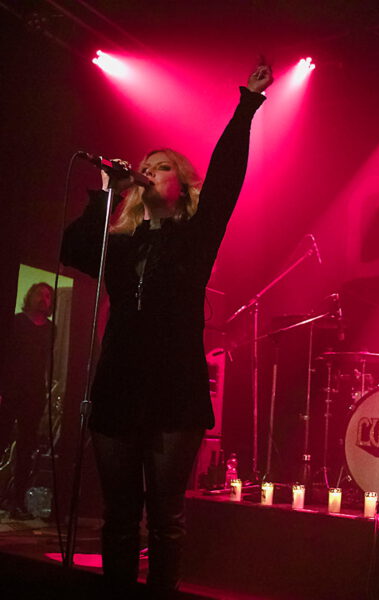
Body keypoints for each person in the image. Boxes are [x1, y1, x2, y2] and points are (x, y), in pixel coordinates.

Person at [60, 63, 273, 591]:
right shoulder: (121, 243)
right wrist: (105, 193)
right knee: (118, 517)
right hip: (117, 387)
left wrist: (247, 105)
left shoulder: (196, 237)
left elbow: (226, 178)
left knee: (165, 518)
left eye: (161, 167)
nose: (148, 172)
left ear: (181, 184)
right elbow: (74, 249)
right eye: (145, 167)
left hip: (174, 390)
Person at [0, 282, 54, 519]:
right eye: (39, 294)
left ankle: (18, 501)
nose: (43, 299)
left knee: (26, 449)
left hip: (34, 394)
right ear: (30, 296)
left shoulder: (50, 329)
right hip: (11, 390)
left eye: (48, 296)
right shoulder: (16, 322)